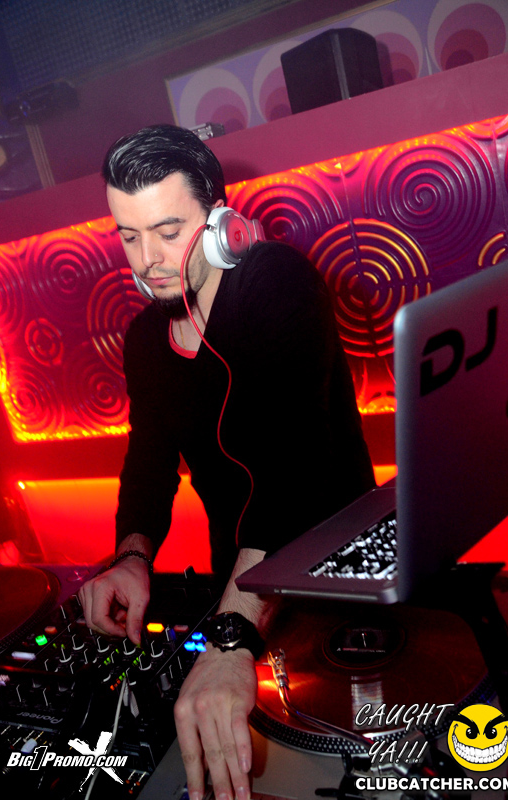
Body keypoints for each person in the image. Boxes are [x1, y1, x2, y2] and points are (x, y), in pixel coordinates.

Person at [79, 124, 375, 800]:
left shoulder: (278, 283)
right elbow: (149, 460)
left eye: (168, 231)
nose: (148, 260)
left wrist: (230, 636)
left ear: (221, 224)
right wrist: (132, 555)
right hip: (240, 584)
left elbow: (294, 469)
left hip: (340, 578)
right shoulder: (144, 339)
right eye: (129, 237)